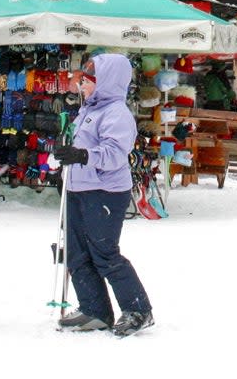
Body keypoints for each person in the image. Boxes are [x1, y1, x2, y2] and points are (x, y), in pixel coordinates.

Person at [53, 53, 153, 337]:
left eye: (88, 81)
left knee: (104, 253)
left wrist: (82, 155)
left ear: (107, 83)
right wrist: (67, 157)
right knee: (76, 252)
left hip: (105, 192)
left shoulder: (117, 114)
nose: (81, 86)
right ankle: (94, 309)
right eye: (82, 80)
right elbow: (81, 145)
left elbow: (113, 155)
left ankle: (138, 309)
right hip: (79, 187)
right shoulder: (90, 110)